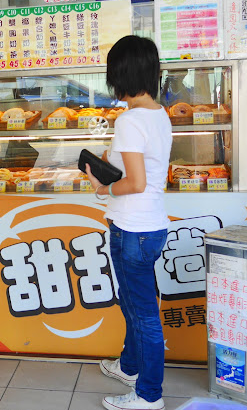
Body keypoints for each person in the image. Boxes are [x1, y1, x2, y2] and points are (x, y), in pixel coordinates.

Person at [84, 35, 172, 410]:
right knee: (136, 305)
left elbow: (134, 183)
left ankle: (149, 395)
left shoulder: (130, 120)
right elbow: (147, 171)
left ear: (119, 73)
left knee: (143, 315)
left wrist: (104, 188)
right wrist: (111, 160)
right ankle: (130, 366)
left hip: (132, 229)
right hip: (151, 225)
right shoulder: (159, 114)